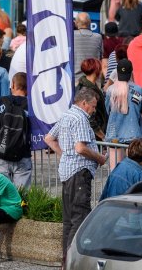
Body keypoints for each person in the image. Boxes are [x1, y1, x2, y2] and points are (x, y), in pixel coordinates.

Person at [44, 88, 106, 259]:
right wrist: (100, 158)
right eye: (93, 106)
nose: (94, 110)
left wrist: (64, 154)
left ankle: (66, 260)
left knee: (69, 221)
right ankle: (71, 261)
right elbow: (80, 148)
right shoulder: (80, 118)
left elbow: (49, 138)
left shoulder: (67, 115)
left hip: (68, 171)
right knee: (79, 220)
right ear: (84, 103)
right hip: (79, 173)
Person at [0, 73, 31, 189]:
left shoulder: (0, 102)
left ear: (13, 84)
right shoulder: (32, 105)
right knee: (22, 195)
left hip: (0, 155)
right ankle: (21, 207)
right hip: (22, 154)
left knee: (1, 193)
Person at [104, 59, 142, 168]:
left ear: (117, 73)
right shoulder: (139, 90)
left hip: (114, 133)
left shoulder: (110, 91)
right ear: (131, 72)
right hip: (134, 135)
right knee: (134, 169)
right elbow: (141, 111)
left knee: (114, 170)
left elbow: (107, 110)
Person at [75, 58, 106, 140]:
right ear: (96, 70)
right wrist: (103, 136)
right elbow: (90, 118)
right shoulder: (88, 90)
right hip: (93, 136)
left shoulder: (85, 85)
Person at [71, 13, 102, 83]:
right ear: (90, 23)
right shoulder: (98, 37)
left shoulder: (71, 36)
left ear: (76, 23)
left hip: (77, 80)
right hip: (94, 80)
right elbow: (100, 57)